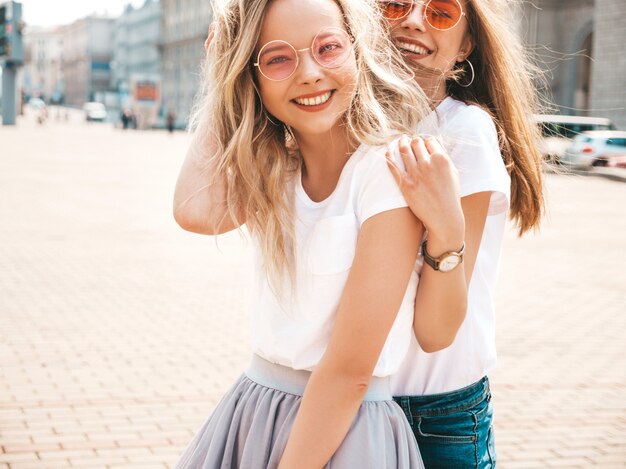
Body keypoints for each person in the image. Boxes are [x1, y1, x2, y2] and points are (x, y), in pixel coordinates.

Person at [172, 0, 468, 467]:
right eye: (277, 58)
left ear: (359, 50)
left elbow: (350, 372)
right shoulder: (275, 168)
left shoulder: (386, 171)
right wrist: (220, 75)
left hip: (341, 430)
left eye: (328, 48)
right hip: (254, 411)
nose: (308, 73)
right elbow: (194, 211)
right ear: (252, 78)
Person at [378, 0, 545, 467]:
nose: (412, 20)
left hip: (434, 413)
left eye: (440, 12)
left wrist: (445, 226)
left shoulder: (464, 131)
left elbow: (435, 331)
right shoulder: (346, 126)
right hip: (355, 399)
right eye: (395, 4)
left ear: (466, 45)